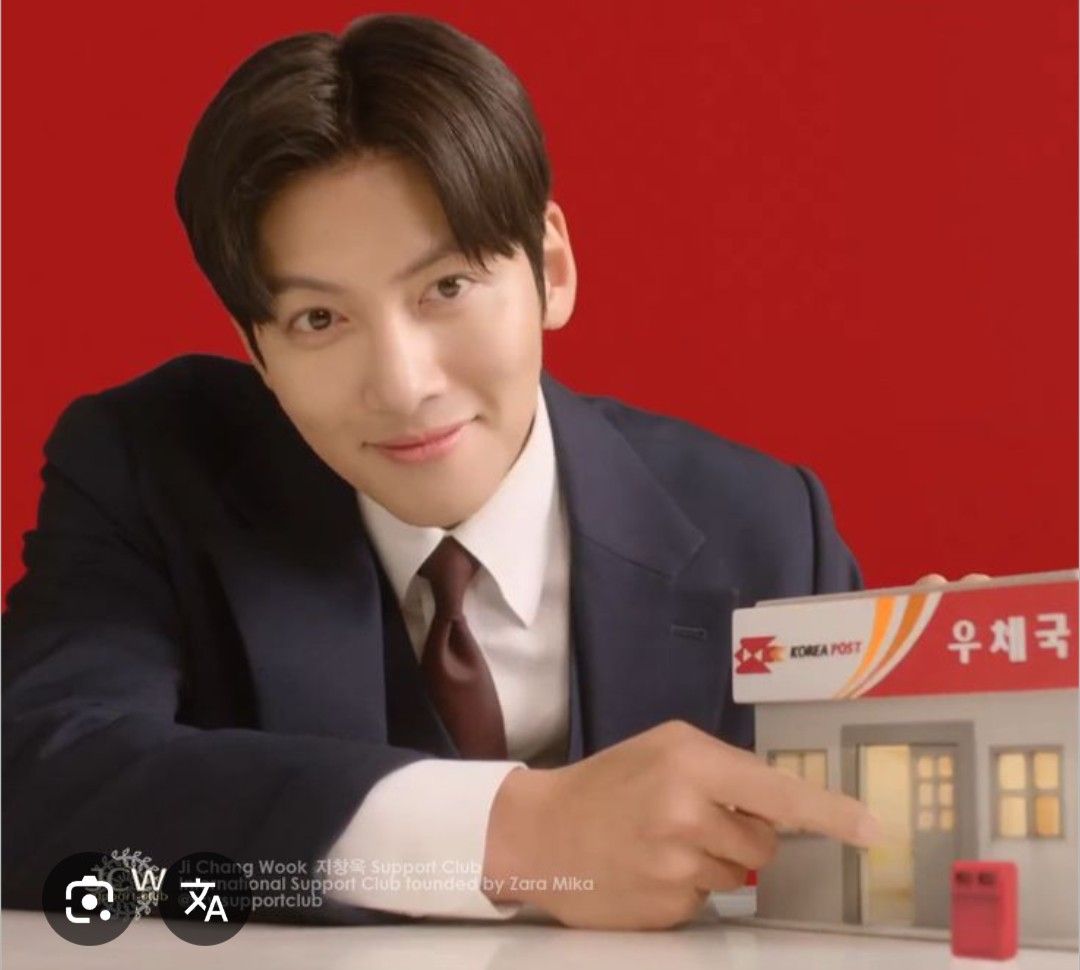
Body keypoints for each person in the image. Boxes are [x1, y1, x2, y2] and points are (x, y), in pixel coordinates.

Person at [4, 12, 910, 931]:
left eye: (446, 288)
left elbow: (870, 849)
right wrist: (514, 835)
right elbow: (36, 784)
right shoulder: (150, 470)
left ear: (551, 268)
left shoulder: (763, 526)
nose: (402, 387)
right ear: (256, 349)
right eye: (319, 320)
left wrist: (964, 681)